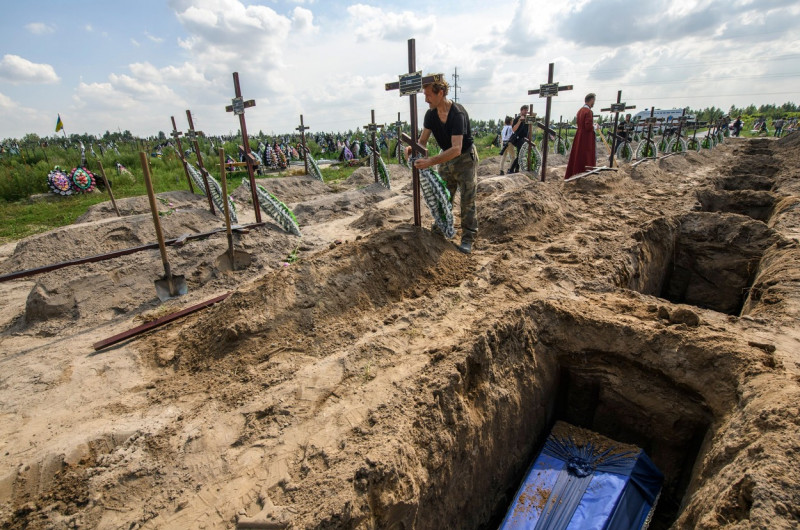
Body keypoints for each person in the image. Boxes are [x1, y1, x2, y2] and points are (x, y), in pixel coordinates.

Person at [407, 78, 477, 254]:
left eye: (429, 95)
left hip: (464, 159)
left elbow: (456, 149)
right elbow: (423, 141)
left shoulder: (457, 114)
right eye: (425, 95)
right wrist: (413, 148)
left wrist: (430, 161)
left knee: (467, 200)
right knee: (443, 195)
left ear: (441, 93)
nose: (426, 99)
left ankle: (468, 238)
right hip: (445, 157)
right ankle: (440, 228)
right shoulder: (431, 115)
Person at [565, 93, 597, 179]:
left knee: (578, 154)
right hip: (586, 137)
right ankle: (585, 172)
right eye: (594, 100)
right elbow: (588, 126)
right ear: (591, 100)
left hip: (579, 135)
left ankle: (576, 171)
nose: (594, 103)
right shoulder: (588, 111)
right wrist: (595, 127)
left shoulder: (580, 111)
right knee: (585, 155)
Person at [507, 105, 530, 174]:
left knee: (521, 154)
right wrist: (519, 121)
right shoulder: (517, 118)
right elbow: (513, 129)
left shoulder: (527, 119)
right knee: (520, 154)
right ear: (521, 110)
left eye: (527, 110)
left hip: (525, 139)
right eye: (525, 110)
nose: (526, 111)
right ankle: (511, 169)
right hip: (519, 139)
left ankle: (517, 169)